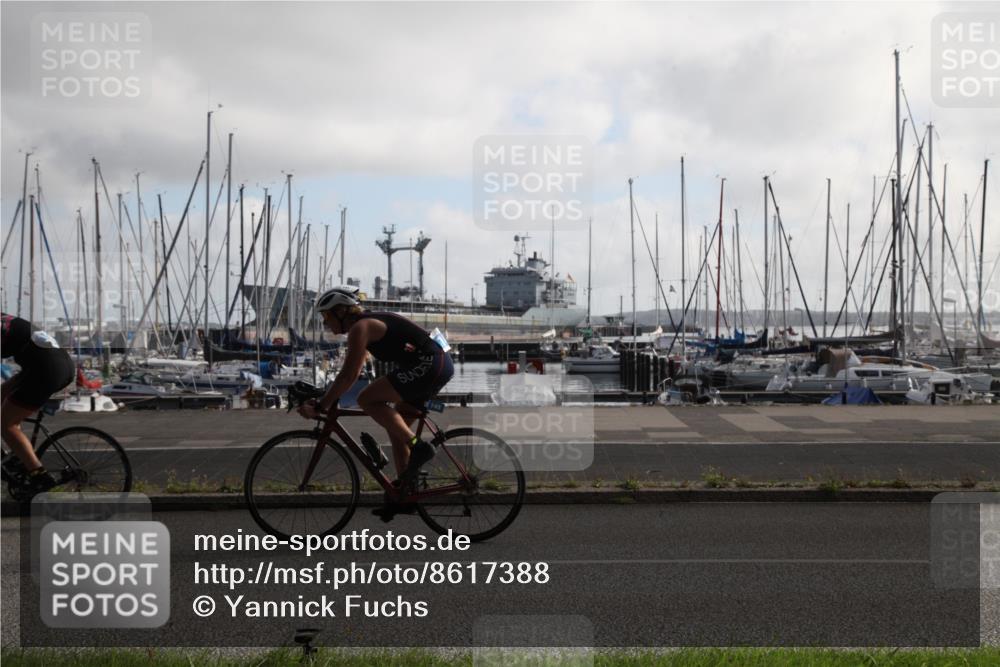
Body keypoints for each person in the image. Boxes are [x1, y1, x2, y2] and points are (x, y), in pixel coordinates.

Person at [298, 286, 454, 521]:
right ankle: (404, 495)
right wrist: (326, 396)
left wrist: (322, 405)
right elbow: (349, 374)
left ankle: (418, 446)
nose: (325, 322)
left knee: (366, 399)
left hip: (431, 362)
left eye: (327, 316)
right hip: (435, 363)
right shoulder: (364, 325)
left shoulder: (361, 327)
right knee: (396, 429)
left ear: (341, 311)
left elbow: (349, 376)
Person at [1, 313, 76, 496]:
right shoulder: (4, 319)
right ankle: (18, 457)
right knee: (4, 396)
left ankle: (39, 475)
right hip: (57, 364)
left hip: (46, 369)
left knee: (6, 423)